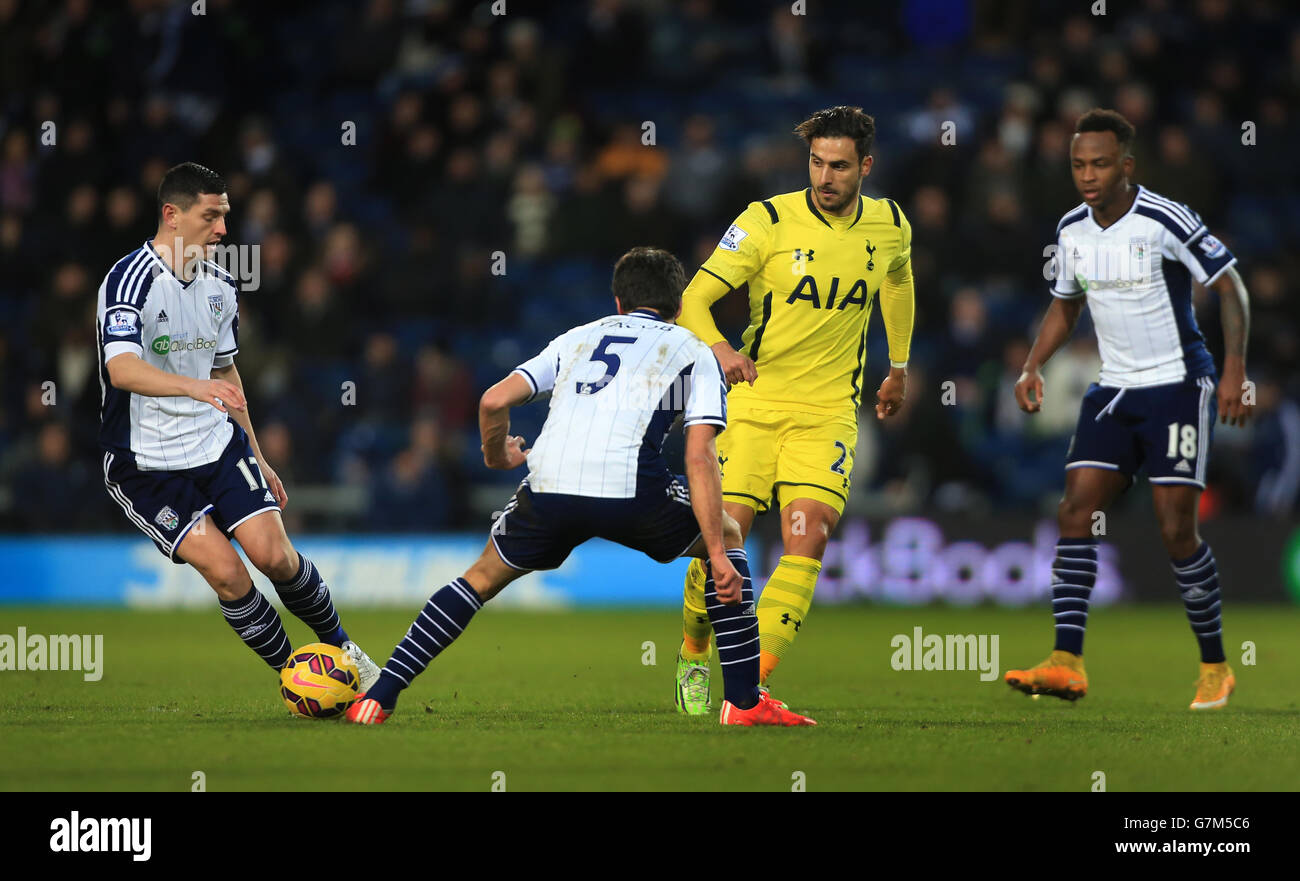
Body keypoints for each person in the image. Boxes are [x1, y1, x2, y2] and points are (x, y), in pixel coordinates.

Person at [346, 247, 815, 727]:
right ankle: (742, 703)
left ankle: (378, 696)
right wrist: (716, 553)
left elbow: (492, 400)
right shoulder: (695, 351)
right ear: (678, 307)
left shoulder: (577, 338)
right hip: (634, 488)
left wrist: (496, 455)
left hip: (551, 483)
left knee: (480, 578)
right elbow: (699, 456)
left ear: (617, 302)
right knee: (733, 536)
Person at [667, 106, 915, 713]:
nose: (824, 176)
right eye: (816, 163)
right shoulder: (767, 220)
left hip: (828, 413)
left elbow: (899, 281)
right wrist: (721, 349)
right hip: (752, 406)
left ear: (865, 167)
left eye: (838, 166)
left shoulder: (889, 225)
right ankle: (693, 652)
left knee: (808, 539)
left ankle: (749, 692)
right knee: (721, 544)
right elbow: (693, 300)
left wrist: (900, 366)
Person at [97, 161, 380, 689]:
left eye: (225, 216)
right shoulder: (129, 280)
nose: (224, 229)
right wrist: (193, 386)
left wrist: (258, 453)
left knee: (275, 555)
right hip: (146, 463)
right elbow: (122, 369)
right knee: (228, 573)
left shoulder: (222, 285)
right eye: (212, 216)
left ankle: (347, 652)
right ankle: (302, 681)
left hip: (216, 444)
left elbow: (226, 371)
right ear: (172, 216)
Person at [1004, 109, 1253, 709]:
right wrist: (1033, 364)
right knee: (1074, 510)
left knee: (1175, 531)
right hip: (1113, 390)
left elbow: (1230, 285)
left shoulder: (1165, 219)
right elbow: (1065, 307)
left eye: (1100, 163)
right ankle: (1067, 660)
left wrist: (1235, 372)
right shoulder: (1071, 230)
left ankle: (1216, 665)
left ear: (1126, 165)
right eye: (1078, 164)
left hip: (1176, 385)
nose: (1088, 175)